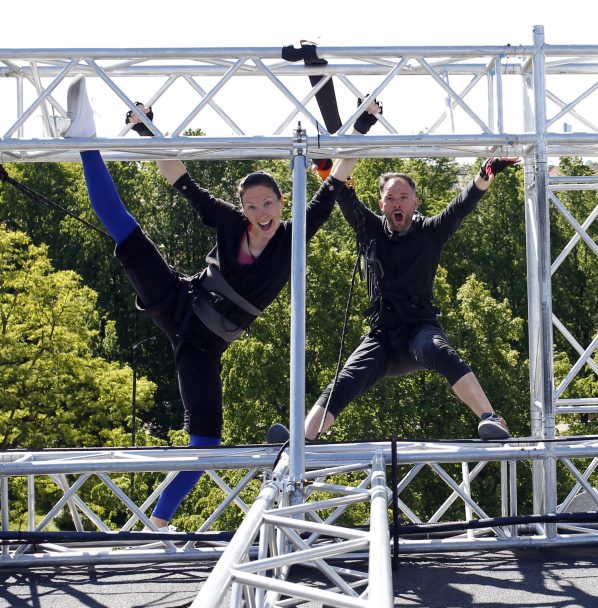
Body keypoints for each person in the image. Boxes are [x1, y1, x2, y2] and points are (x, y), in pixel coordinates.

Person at [60, 76, 380, 529]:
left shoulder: (294, 236)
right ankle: (86, 143)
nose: (261, 215)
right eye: (252, 207)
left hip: (203, 348)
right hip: (179, 300)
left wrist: (362, 126)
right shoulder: (230, 224)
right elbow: (179, 177)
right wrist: (147, 130)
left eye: (268, 204)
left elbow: (337, 181)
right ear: (242, 208)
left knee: (206, 443)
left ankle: (159, 521)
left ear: (282, 202)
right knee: (123, 229)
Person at [302, 158, 519, 441]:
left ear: (415, 202)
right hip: (382, 335)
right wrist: (324, 165)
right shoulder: (369, 229)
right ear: (382, 206)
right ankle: (303, 439)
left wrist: (484, 174)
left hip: (419, 327)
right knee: (345, 380)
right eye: (390, 199)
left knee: (440, 351)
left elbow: (462, 205)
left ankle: (491, 419)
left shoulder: (430, 232)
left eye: (403, 198)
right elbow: (342, 192)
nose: (397, 204)